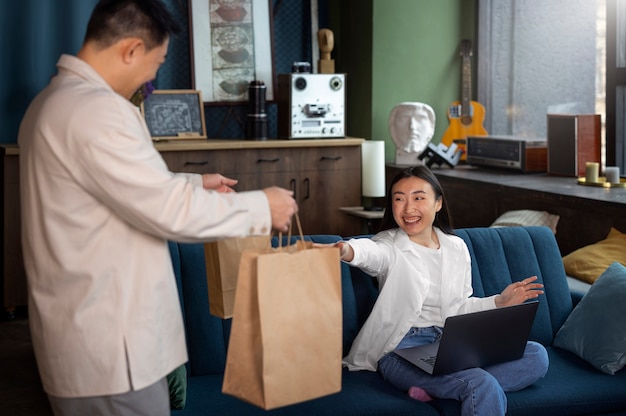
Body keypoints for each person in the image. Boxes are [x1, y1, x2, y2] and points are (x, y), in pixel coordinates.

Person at [17, 1, 297, 415]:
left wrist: (194, 182)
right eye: (156, 62)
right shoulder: (99, 109)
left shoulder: (52, 101)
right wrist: (261, 207)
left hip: (85, 336)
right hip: (115, 351)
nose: (151, 77)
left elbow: (110, 188)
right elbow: (166, 210)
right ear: (131, 49)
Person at [335, 166, 549, 415]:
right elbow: (371, 254)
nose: (408, 208)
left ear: (438, 203)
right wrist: (346, 250)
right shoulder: (389, 244)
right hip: (400, 350)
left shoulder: (456, 247)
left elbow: (459, 306)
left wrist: (499, 302)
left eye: (418, 198)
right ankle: (457, 387)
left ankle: (439, 389)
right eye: (399, 199)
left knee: (536, 356)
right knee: (481, 384)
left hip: (450, 345)